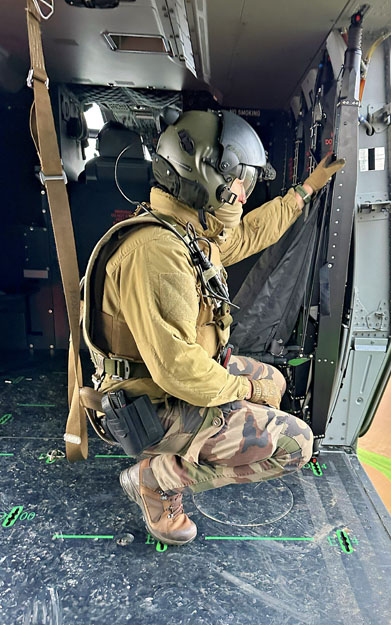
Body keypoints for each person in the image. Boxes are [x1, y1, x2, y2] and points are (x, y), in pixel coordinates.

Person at [83, 109, 345, 545]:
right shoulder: (157, 253)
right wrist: (244, 392)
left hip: (167, 382)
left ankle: (198, 448)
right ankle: (156, 478)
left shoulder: (186, 232)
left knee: (274, 380)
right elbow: (179, 370)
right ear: (208, 177)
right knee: (297, 445)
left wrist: (305, 190)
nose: (243, 195)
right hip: (148, 406)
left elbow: (247, 236)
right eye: (240, 182)